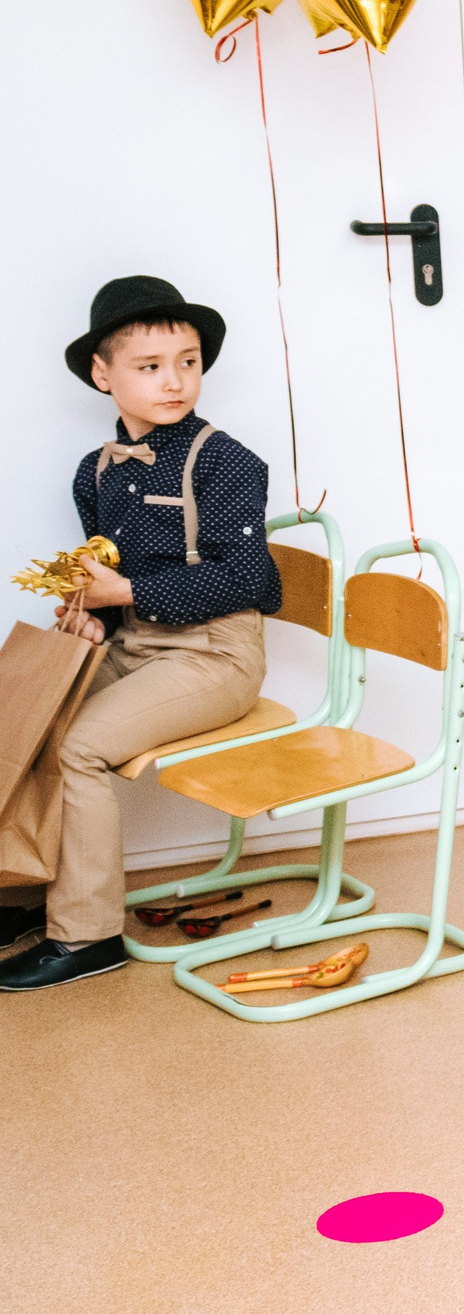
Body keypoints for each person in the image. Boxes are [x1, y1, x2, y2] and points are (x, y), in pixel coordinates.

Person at [0, 279, 283, 993]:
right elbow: (114, 583)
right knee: (30, 716)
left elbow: (249, 580)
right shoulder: (94, 471)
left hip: (216, 655)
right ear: (104, 374)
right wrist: (93, 615)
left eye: (188, 362)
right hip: (139, 647)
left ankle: (88, 934)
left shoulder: (225, 462)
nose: (174, 381)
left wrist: (122, 594)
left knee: (80, 745)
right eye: (150, 366)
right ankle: (28, 890)